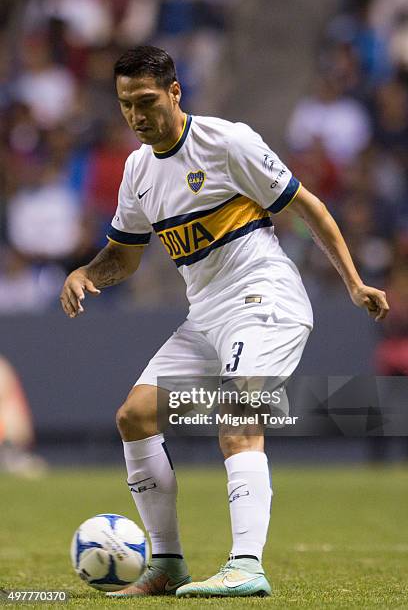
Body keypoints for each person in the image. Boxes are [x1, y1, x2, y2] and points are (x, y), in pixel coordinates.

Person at [60, 46, 389, 598]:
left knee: (237, 414)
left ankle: (246, 565)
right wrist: (86, 272)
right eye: (125, 106)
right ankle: (166, 565)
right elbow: (124, 257)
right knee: (134, 417)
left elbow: (308, 207)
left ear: (174, 92)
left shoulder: (227, 142)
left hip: (265, 298)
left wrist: (353, 282)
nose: (137, 116)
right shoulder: (137, 170)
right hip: (206, 315)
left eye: (146, 101)